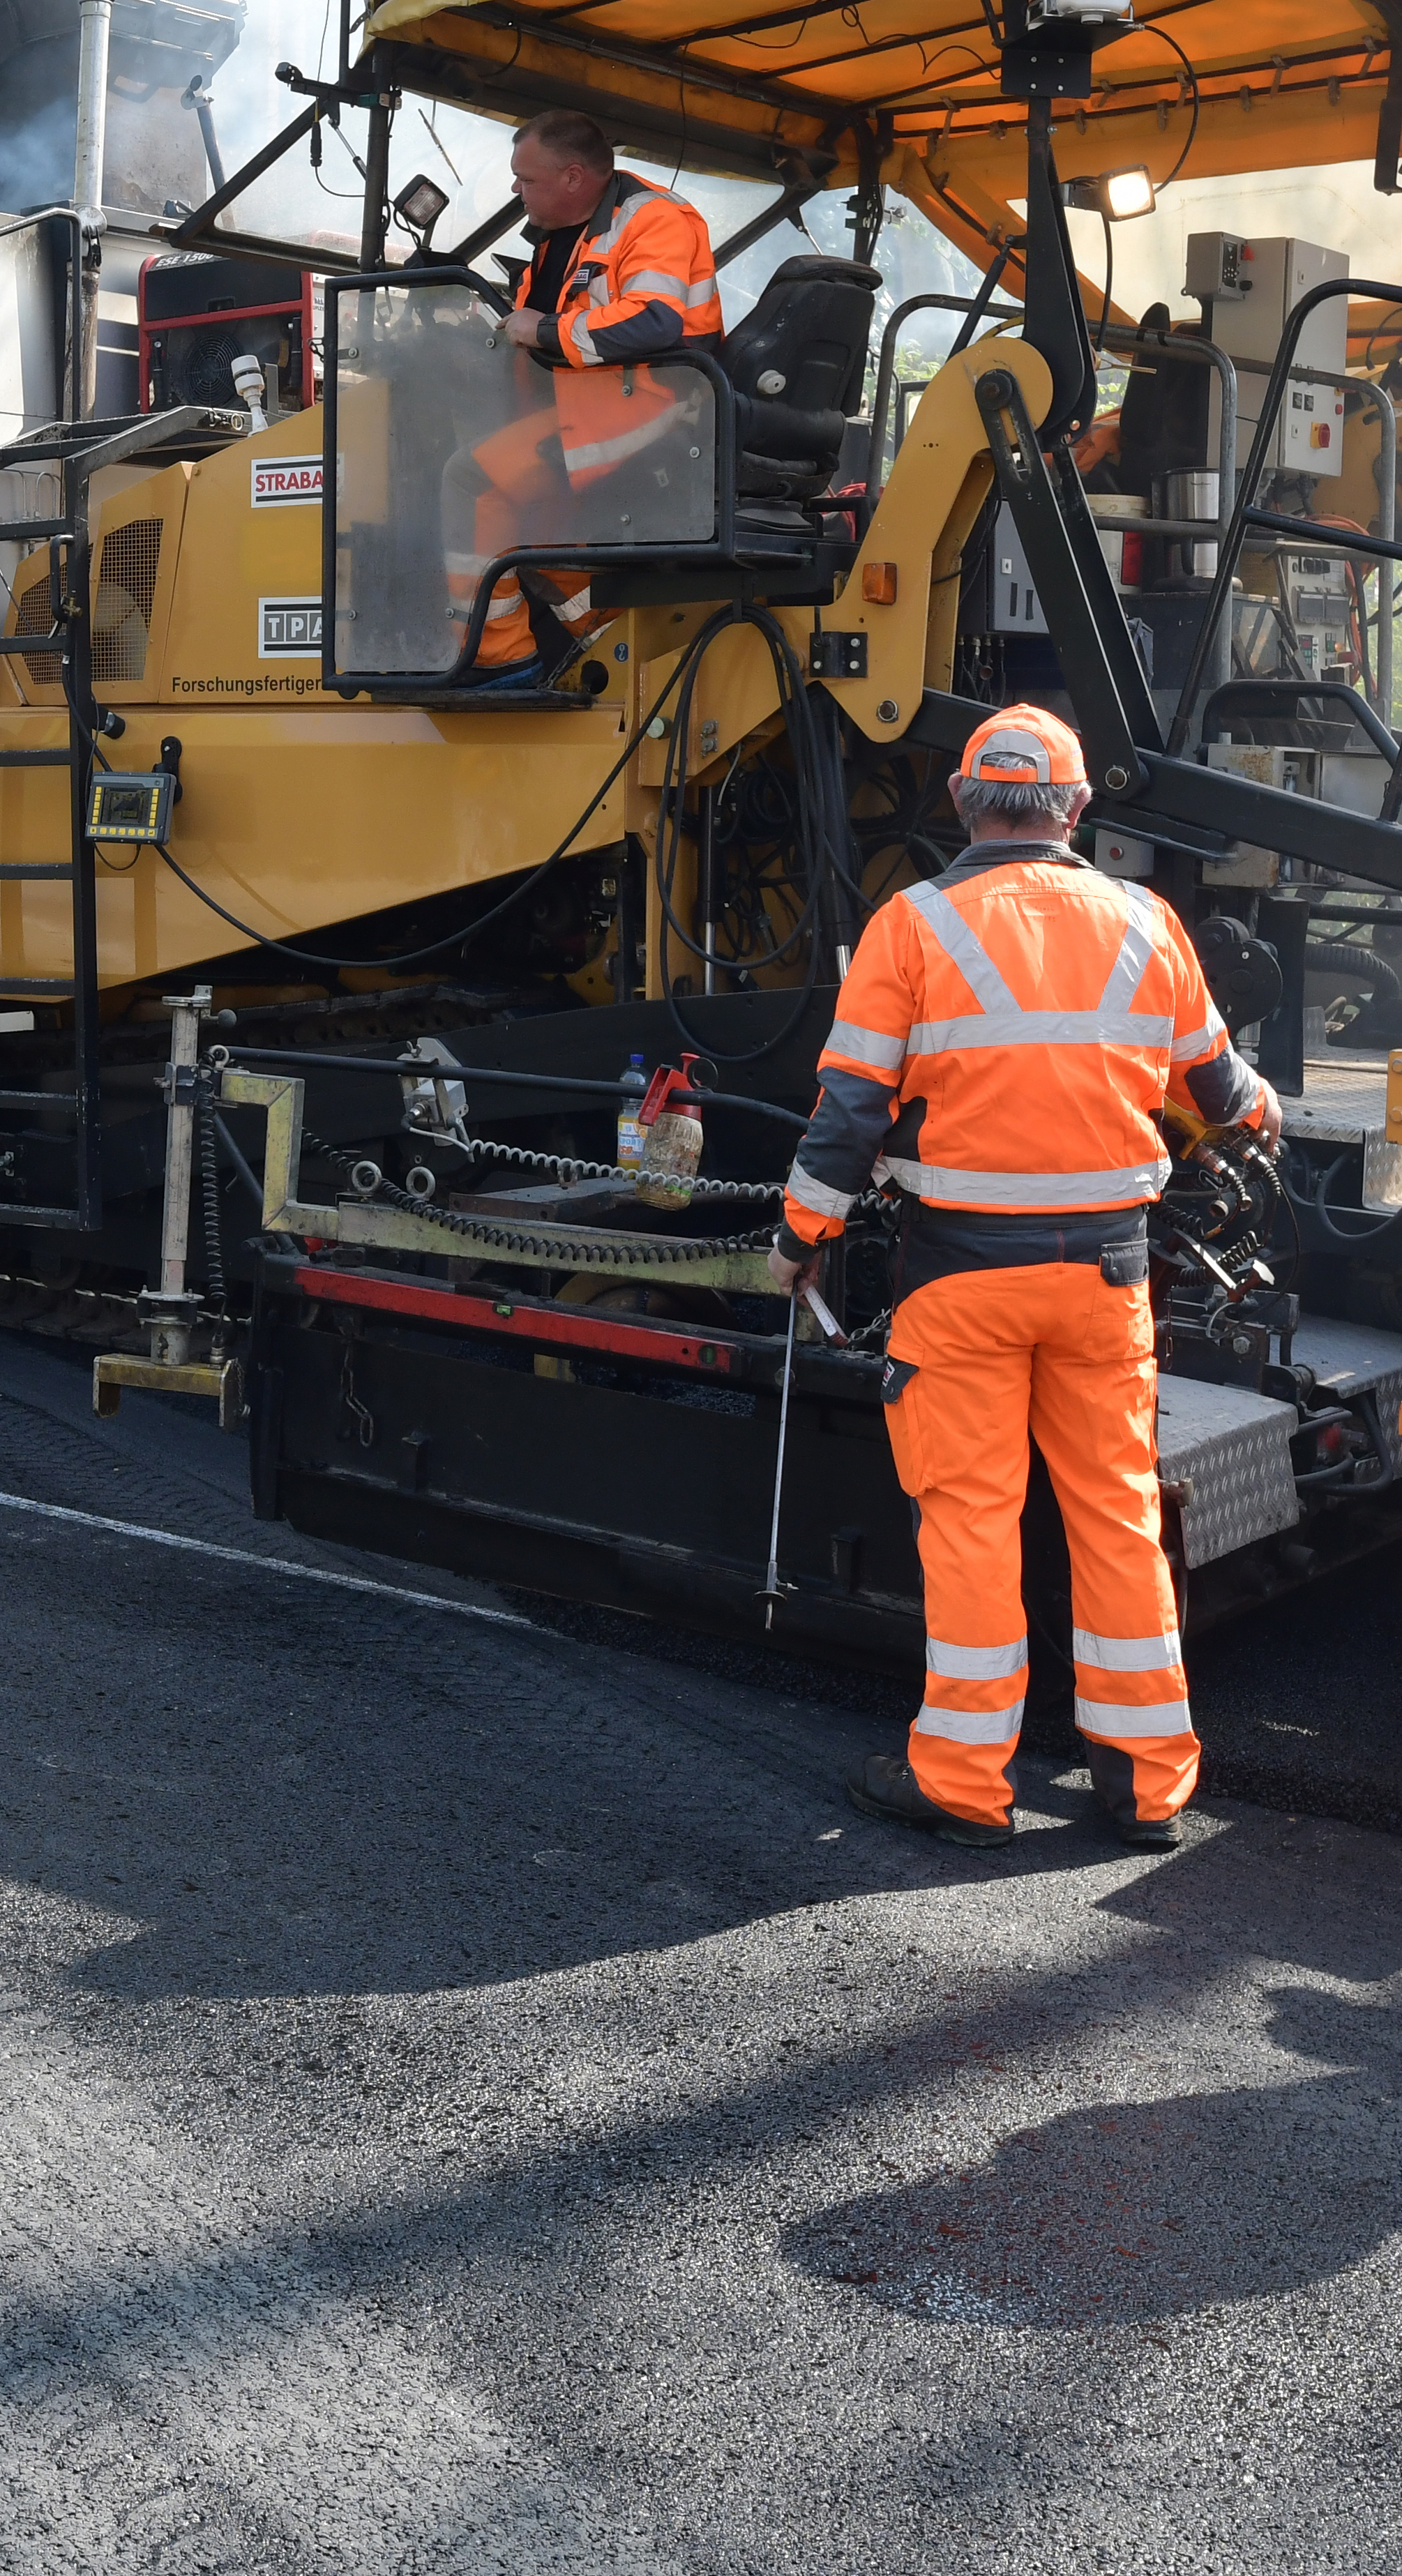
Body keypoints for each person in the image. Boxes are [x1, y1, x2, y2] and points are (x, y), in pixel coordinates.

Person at [781, 703, 1278, 1852]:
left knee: (971, 1521)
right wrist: (1261, 1116)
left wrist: (801, 1234)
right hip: (1105, 1279)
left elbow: (850, 1112)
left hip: (959, 1280)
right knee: (1116, 1515)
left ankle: (965, 1783)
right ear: (1077, 806)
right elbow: (1225, 1095)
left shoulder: (911, 924)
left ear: (964, 799)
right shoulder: (1147, 920)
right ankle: (1148, 1786)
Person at [446, 110, 727, 675]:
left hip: (655, 403)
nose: (516, 189)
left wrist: (544, 330)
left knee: (472, 480)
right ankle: (619, 651)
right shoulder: (560, 240)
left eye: (526, 178)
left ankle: (496, 666)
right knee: (538, 531)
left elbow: (653, 322)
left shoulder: (653, 217)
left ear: (573, 177)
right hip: (597, 405)